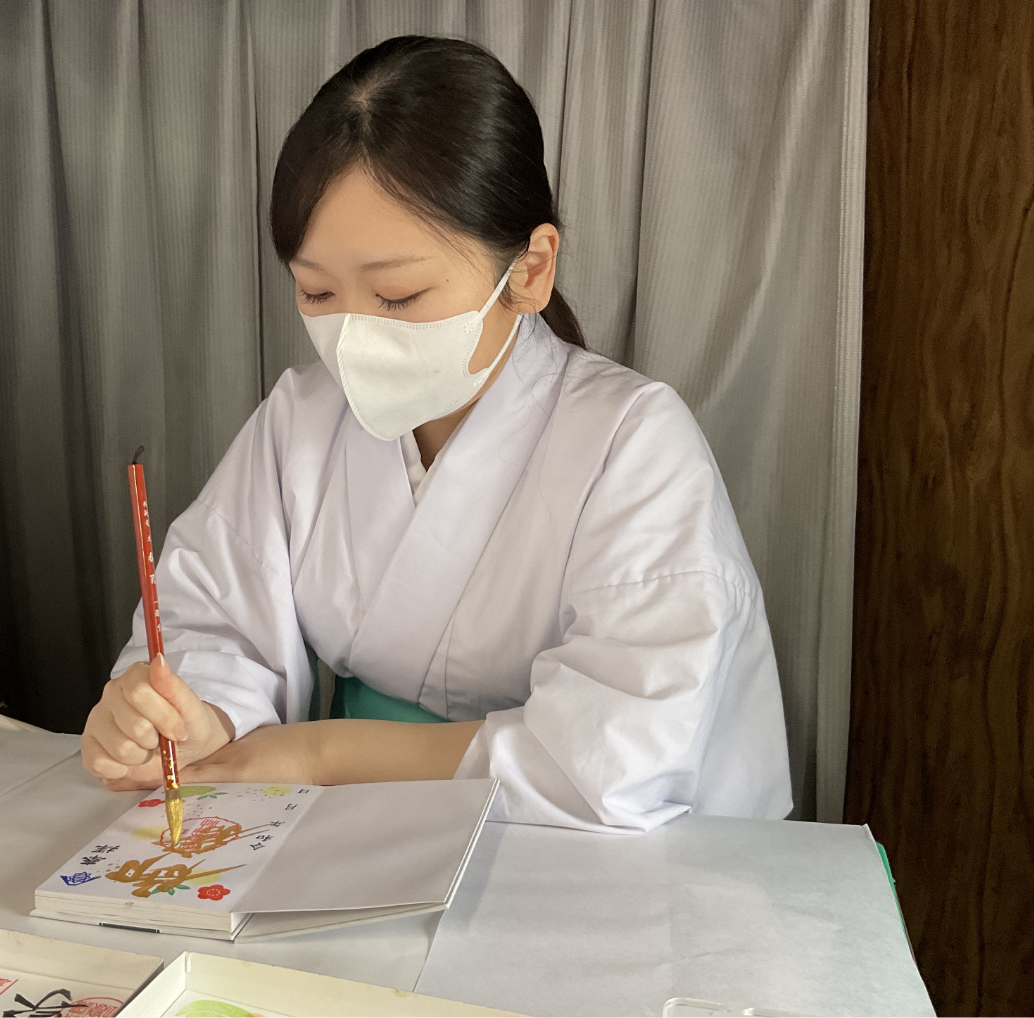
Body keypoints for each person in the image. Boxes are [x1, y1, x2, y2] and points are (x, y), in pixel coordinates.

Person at [81, 34, 793, 833]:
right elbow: (211, 625)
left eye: (397, 297)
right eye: (317, 293)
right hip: (360, 834)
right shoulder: (300, 421)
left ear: (529, 269)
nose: (354, 337)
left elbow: (619, 757)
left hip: (589, 853)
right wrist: (189, 717)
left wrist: (318, 755)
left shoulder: (634, 442)